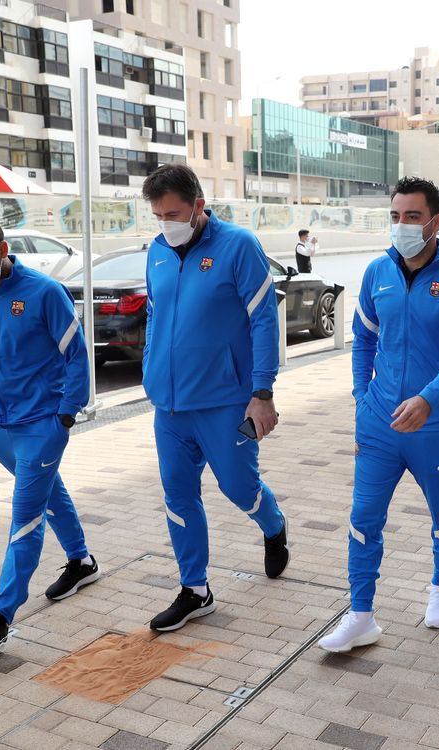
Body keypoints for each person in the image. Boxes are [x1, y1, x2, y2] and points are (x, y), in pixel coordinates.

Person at [318, 177, 439, 652]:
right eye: (395, 216)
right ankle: (361, 614)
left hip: (434, 422)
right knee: (363, 517)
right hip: (379, 421)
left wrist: (429, 399)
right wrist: (361, 399)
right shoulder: (377, 273)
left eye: (412, 217)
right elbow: (363, 340)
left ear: (435, 222)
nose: (402, 226)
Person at [141, 164, 290, 632]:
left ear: (199, 206)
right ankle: (195, 589)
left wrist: (262, 393)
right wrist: (150, 368)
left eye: (175, 213)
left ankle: (273, 525)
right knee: (178, 494)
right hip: (169, 407)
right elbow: (154, 313)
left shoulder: (238, 246)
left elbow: (264, 320)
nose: (168, 223)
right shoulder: (158, 251)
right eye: (159, 215)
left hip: (228, 403)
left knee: (239, 488)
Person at [0, 213, 97, 655]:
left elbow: (76, 356)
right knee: (47, 491)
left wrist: (65, 417)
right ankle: (82, 560)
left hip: (41, 426)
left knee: (26, 514)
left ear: (1, 250)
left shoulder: (45, 293)